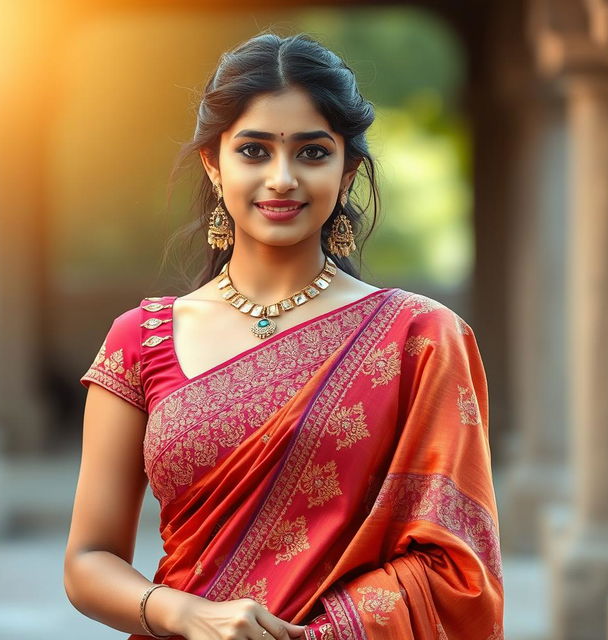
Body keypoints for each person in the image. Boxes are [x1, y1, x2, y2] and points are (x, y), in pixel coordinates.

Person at [64, 32, 504, 640]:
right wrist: (186, 613)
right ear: (213, 166)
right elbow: (88, 561)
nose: (282, 178)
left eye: (312, 153)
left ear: (348, 170)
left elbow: (458, 570)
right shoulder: (141, 338)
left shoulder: (420, 338)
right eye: (253, 151)